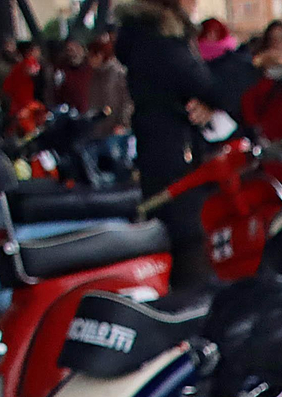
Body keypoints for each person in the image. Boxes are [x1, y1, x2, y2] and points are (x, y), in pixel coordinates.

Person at [115, 0, 220, 288]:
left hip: (159, 152)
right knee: (188, 241)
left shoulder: (141, 37)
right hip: (176, 156)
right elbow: (203, 83)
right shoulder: (160, 40)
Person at [243, 20, 282, 141]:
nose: (277, 42)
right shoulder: (257, 67)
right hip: (266, 131)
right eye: (273, 38)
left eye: (281, 38)